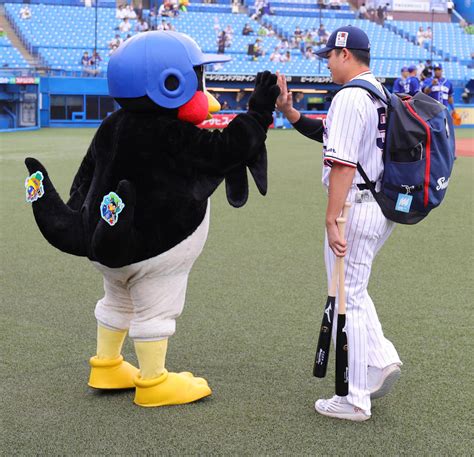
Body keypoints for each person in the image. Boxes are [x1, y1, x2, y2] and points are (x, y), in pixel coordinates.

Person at [276, 25, 402, 422]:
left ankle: (354, 398)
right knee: (355, 292)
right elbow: (331, 135)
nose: (327, 63)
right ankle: (379, 361)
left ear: (345, 54)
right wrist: (291, 113)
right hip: (378, 203)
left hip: (355, 206)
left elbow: (343, 161)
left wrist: (332, 217)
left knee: (346, 297)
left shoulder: (349, 96)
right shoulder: (376, 90)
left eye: (329, 55)